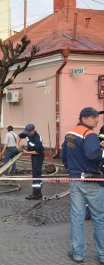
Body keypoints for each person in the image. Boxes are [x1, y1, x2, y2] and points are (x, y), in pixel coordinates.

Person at [62, 107, 104, 264]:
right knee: (99, 217)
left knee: (77, 218)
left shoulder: (70, 134)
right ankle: (103, 255)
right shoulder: (90, 134)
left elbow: (64, 156)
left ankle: (78, 254)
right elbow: (93, 154)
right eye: (93, 117)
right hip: (91, 181)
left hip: (75, 181)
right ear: (84, 119)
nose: (97, 120)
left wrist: (72, 171)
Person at [18, 124, 44, 200]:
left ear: (33, 131)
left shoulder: (37, 138)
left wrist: (26, 152)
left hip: (38, 157)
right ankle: (37, 193)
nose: (27, 134)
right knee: (35, 174)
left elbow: (38, 152)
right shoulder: (27, 133)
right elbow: (19, 136)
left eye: (28, 132)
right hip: (33, 156)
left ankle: (37, 193)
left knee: (36, 174)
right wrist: (17, 145)